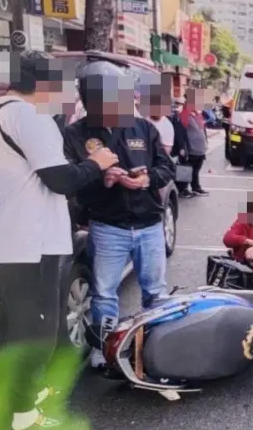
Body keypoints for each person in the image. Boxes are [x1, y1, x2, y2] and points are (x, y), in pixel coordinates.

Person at [0, 51, 119, 430]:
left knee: (13, 327)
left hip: (3, 241)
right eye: (62, 83)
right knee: (36, 332)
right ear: (41, 84)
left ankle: (20, 396)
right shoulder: (29, 117)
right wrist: (98, 162)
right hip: (30, 242)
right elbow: (61, 180)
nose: (67, 92)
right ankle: (22, 416)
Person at [62, 59, 176, 369]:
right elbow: (71, 184)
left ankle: (154, 346)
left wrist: (146, 179)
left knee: (155, 292)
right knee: (104, 294)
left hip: (149, 225)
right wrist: (103, 178)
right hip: (107, 226)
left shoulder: (144, 128)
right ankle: (104, 350)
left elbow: (166, 168)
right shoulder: (74, 135)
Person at [177, 88, 209, 197]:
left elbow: (202, 129)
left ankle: (196, 188)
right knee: (186, 169)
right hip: (190, 148)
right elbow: (180, 131)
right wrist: (182, 147)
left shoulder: (197, 114)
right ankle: (183, 189)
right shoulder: (184, 113)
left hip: (199, 148)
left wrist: (205, 142)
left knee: (196, 170)